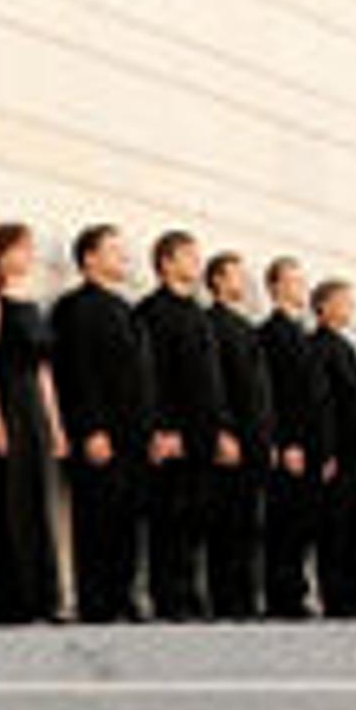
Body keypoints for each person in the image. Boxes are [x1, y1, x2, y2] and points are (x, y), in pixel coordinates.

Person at [49, 224, 151, 624]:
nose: (122, 258)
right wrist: (91, 429)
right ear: (89, 258)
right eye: (113, 251)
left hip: (133, 434)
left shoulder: (126, 309)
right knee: (96, 518)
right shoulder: (74, 307)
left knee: (127, 520)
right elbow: (77, 372)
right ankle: (96, 601)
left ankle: (123, 595)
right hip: (99, 434)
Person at [0, 223, 64, 624]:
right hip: (7, 401)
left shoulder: (33, 304)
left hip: (34, 409)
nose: (29, 256)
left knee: (36, 500)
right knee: (8, 498)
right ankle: (10, 598)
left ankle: (42, 597)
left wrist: (56, 425)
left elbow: (44, 372)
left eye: (31, 248)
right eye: (21, 248)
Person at [135, 231, 218, 622]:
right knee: (168, 517)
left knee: (196, 517)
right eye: (188, 255)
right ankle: (168, 596)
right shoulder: (151, 311)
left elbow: (212, 382)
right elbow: (150, 377)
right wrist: (163, 429)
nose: (196, 262)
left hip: (202, 433)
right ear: (166, 262)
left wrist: (220, 430)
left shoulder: (199, 314)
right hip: (172, 434)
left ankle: (189, 591)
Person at [200, 252, 268, 619]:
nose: (245, 282)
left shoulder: (246, 327)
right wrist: (223, 431)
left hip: (255, 441)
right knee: (224, 523)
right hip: (230, 441)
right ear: (218, 281)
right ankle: (225, 599)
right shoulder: (210, 323)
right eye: (237, 276)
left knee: (247, 524)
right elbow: (215, 385)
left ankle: (245, 597)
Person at [257, 258, 319, 618]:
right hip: (290, 446)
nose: (301, 287)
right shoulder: (272, 332)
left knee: (303, 524)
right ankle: (281, 596)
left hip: (310, 447)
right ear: (276, 287)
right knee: (284, 524)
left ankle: (296, 591)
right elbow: (276, 393)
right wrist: (286, 441)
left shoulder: (301, 333)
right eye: (294, 281)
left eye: (302, 279)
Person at [307, 277, 356, 619]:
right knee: (334, 531)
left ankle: (354, 597)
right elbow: (322, 404)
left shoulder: (346, 346)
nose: (350, 306)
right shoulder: (319, 345)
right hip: (338, 457)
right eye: (343, 300)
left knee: (354, 535)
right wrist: (326, 451)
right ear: (323, 306)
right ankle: (336, 599)